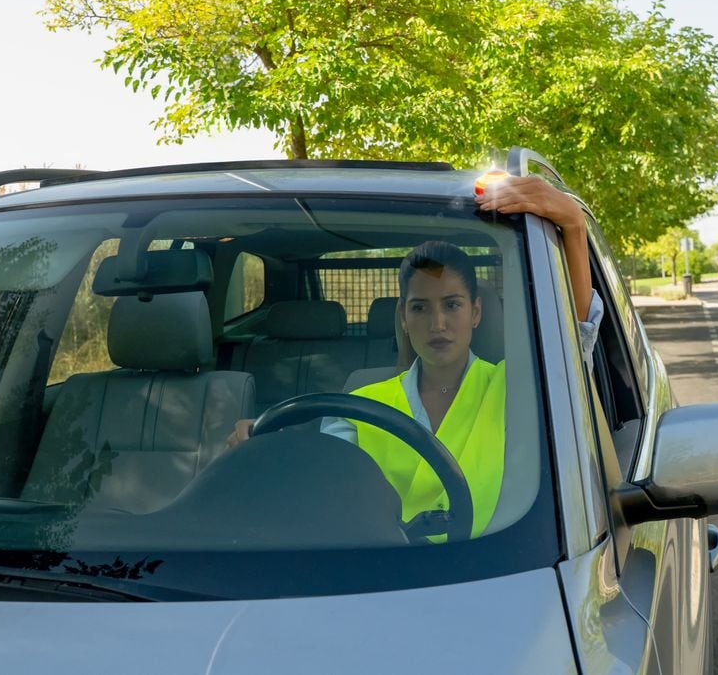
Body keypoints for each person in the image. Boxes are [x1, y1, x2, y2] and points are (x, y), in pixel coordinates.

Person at [228, 175, 603, 538]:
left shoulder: (517, 384)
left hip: (503, 572)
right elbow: (326, 490)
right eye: (420, 308)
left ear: (475, 313)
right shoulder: (357, 408)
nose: (437, 323)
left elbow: (575, 340)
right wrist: (266, 450)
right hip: (392, 577)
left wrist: (571, 224)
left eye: (452, 305)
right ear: (404, 319)